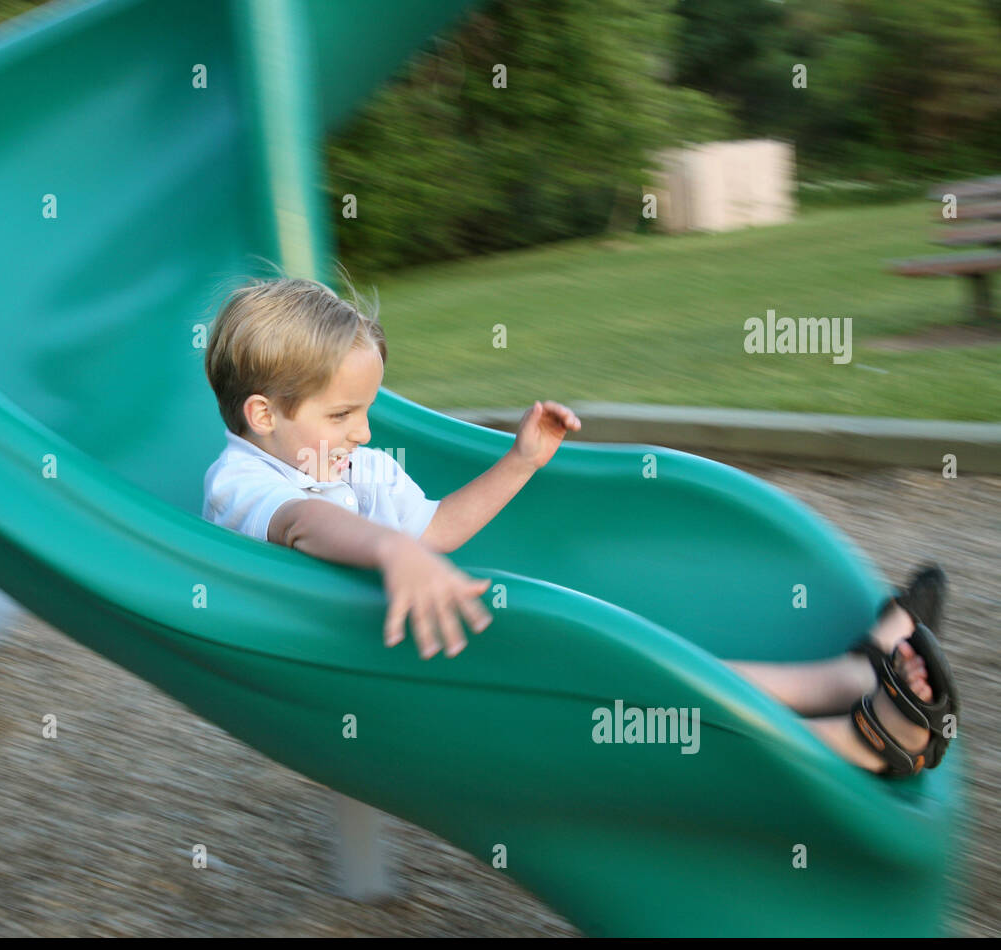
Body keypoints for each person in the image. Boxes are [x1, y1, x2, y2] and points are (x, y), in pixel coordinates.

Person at [201, 275, 958, 778]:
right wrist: (392, 553)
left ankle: (848, 679)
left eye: (367, 410)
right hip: (370, 683)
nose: (365, 433)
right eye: (344, 415)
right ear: (263, 415)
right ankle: (854, 738)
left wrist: (520, 462)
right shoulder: (243, 485)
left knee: (626, 663)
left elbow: (431, 529)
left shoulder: (345, 464)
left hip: (415, 650)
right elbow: (306, 526)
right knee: (619, 692)